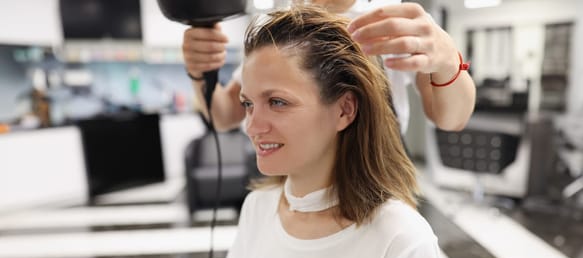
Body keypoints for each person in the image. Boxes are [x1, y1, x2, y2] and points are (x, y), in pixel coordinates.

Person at [207, 5, 454, 258]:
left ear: (344, 109)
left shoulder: (399, 242)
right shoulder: (257, 209)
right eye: (249, 104)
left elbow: (453, 111)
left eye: (277, 102)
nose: (252, 126)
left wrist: (449, 62)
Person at [182, 0, 475, 134]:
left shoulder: (392, 17)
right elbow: (224, 116)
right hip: (295, 184)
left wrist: (449, 61)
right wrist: (198, 70)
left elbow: (451, 119)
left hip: (376, 183)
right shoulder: (276, 21)